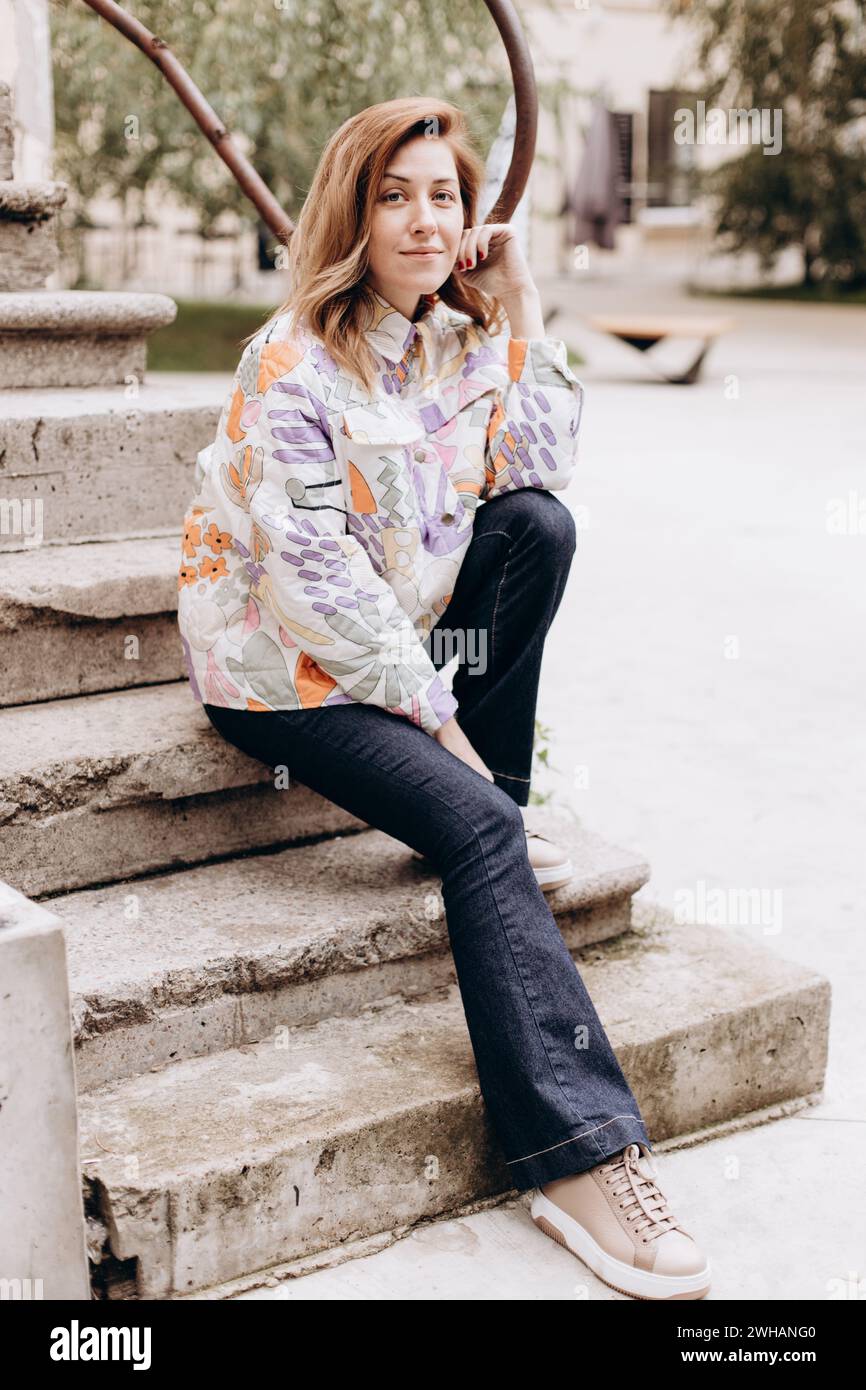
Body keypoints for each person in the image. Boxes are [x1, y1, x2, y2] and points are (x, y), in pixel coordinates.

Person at [176, 96, 710, 1300]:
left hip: (403, 647)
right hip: (281, 675)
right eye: (393, 194)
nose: (424, 220)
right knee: (474, 823)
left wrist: (517, 302)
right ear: (351, 211)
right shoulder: (287, 363)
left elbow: (537, 468)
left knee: (536, 526)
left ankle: (492, 824)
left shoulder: (455, 344)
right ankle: (582, 1162)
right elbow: (321, 594)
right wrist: (454, 746)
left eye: (443, 197)